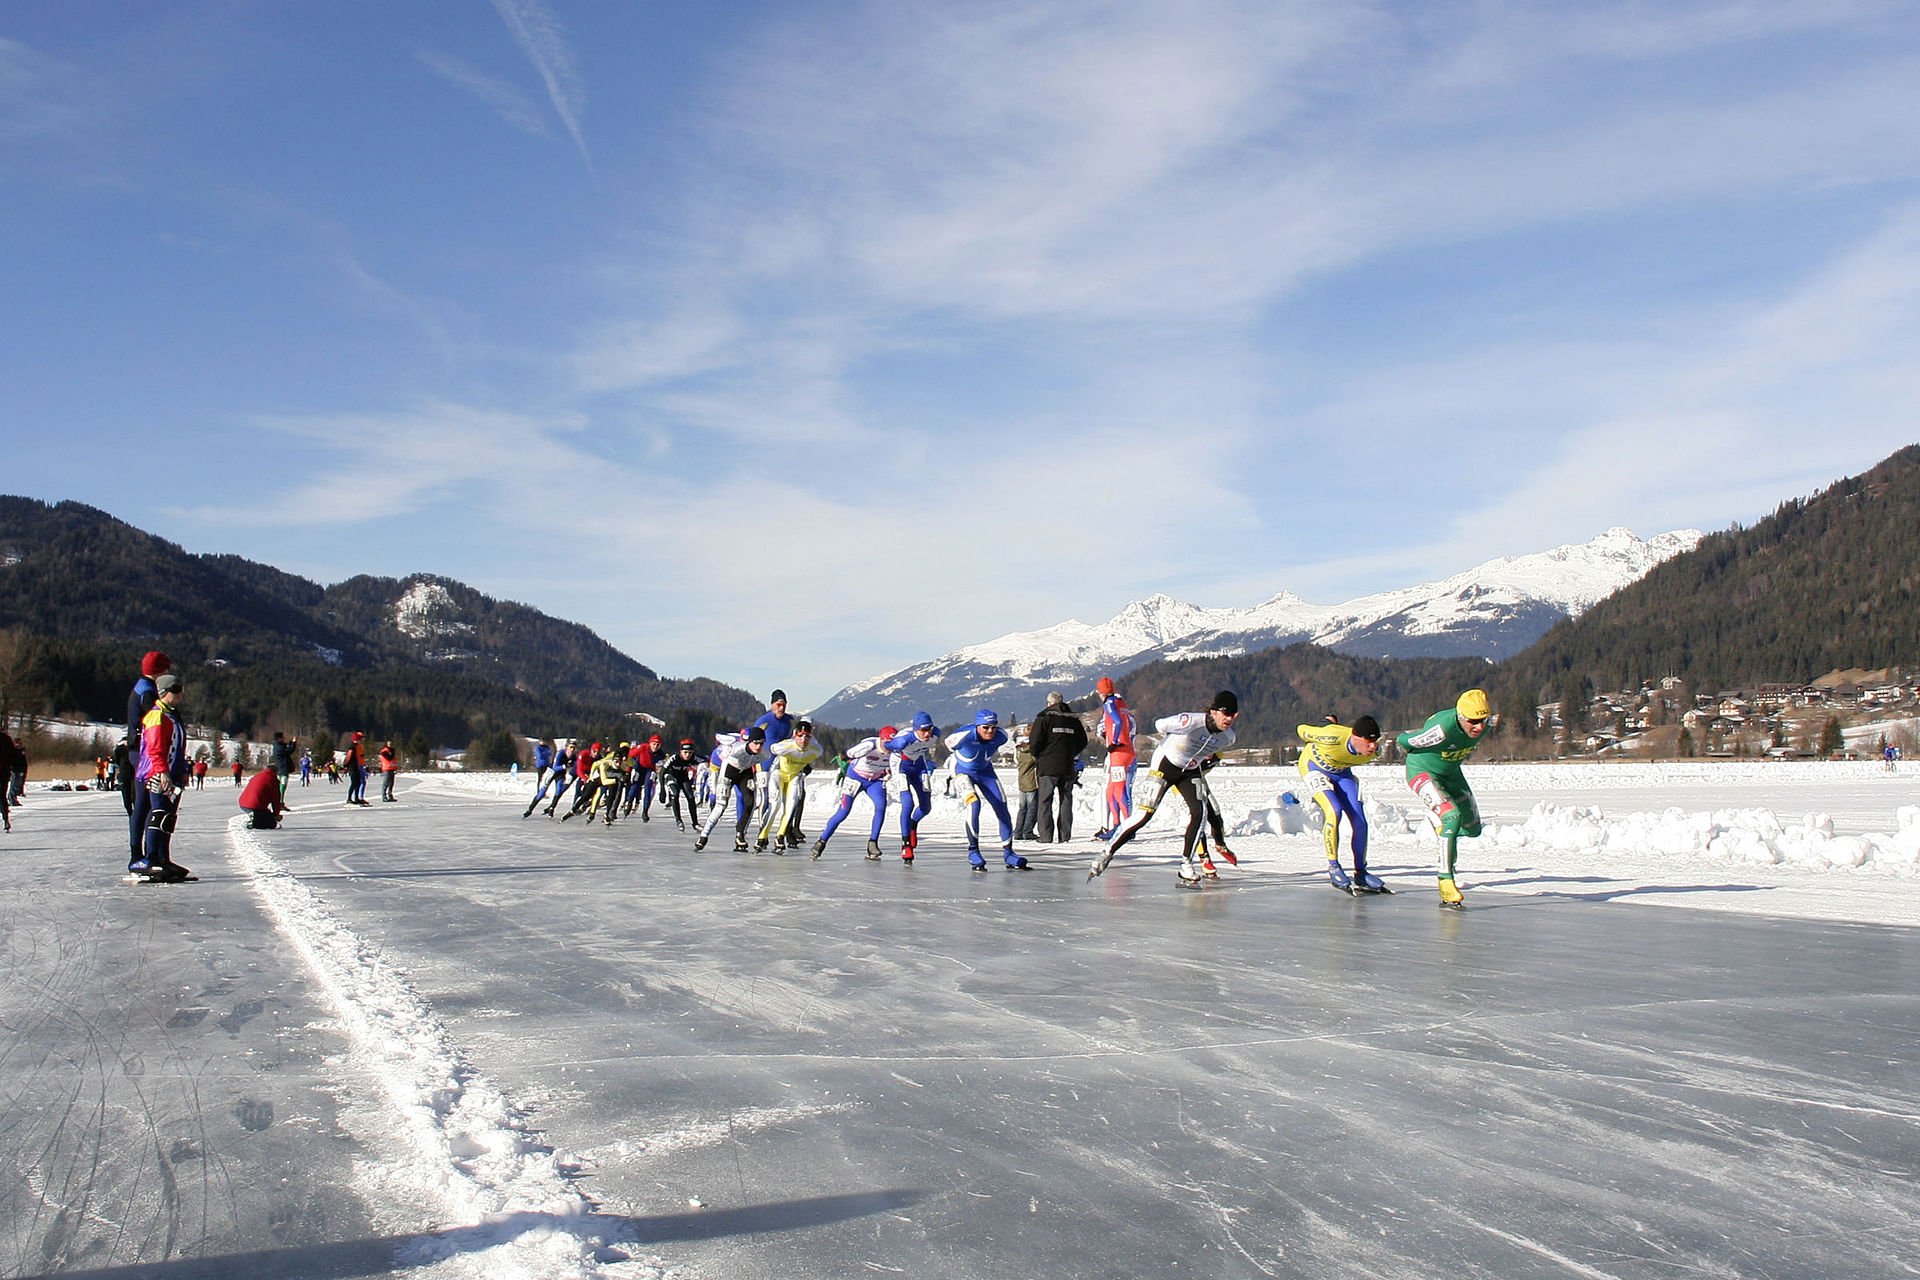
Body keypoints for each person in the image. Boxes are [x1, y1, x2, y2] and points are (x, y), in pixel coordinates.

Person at [1089, 691, 1241, 885]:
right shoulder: (1190, 721)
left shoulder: (1228, 738)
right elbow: (1159, 725)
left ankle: (1186, 864)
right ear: (1213, 712)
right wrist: (1172, 739)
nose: (1229, 719)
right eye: (1226, 713)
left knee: (1200, 812)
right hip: (1165, 765)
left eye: (1233, 715)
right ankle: (1107, 853)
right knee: (1145, 814)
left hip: (1190, 770)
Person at [1399, 689, 1493, 910]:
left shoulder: (1485, 726)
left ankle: (1442, 828)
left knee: (1472, 829)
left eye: (1483, 720)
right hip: (1422, 772)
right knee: (1452, 817)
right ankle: (1446, 882)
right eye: (1473, 722)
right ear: (1460, 717)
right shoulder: (1441, 730)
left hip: (1451, 774)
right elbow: (1404, 741)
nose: (1479, 727)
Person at [1297, 715, 1385, 893]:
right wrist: (1324, 725)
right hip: (1313, 766)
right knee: (1334, 811)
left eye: (1375, 742)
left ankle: (1361, 872)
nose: (1373, 747)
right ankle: (1334, 867)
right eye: (1368, 742)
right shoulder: (1331, 737)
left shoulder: (1376, 752)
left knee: (1360, 821)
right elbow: (1301, 729)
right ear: (1356, 737)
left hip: (1341, 773)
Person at [945, 710, 1026, 871]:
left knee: (1002, 806)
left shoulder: (1001, 736)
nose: (990, 731)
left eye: (993, 727)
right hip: (962, 771)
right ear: (977, 726)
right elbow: (949, 744)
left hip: (985, 772)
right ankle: (973, 851)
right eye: (985, 727)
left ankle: (1009, 853)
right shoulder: (964, 735)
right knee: (974, 804)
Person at [133, 673, 192, 880]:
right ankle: (151, 858)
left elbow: (178, 748)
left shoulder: (172, 715)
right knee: (159, 814)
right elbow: (154, 748)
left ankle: (163, 857)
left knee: (168, 816)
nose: (179, 695)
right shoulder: (156, 716)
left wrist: (183, 771)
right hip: (158, 773)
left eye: (180, 690)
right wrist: (161, 771)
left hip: (172, 773)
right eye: (175, 691)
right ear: (163, 692)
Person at [814, 726, 895, 860]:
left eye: (891, 744)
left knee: (881, 806)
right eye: (886, 743)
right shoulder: (869, 745)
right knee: (843, 811)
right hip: (855, 777)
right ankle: (822, 841)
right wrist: (846, 756)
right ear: (881, 739)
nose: (888, 748)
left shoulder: (896, 749)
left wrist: (889, 772)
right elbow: (849, 754)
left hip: (874, 781)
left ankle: (873, 843)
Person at [123, 650, 169, 868]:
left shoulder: (141, 687)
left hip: (137, 750)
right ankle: (145, 854)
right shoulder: (148, 692)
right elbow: (154, 722)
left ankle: (143, 853)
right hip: (143, 752)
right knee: (146, 803)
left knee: (143, 804)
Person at [1029, 691, 1087, 842]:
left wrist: (1039, 755)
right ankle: (1065, 836)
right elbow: (1083, 741)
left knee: (1045, 801)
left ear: (1049, 703)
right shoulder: (1074, 721)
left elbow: (1034, 743)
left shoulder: (1044, 719)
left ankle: (1045, 836)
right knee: (1066, 799)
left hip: (1047, 766)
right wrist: (1071, 752)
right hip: (1068, 765)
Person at [758, 720, 822, 852]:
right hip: (778, 774)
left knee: (791, 807)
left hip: (794, 776)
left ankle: (780, 836)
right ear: (795, 735)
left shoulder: (815, 750)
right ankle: (762, 836)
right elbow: (772, 748)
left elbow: (816, 750)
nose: (803, 740)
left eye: (807, 736)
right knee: (775, 806)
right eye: (800, 736)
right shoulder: (786, 746)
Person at [696, 727, 764, 851]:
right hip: (728, 771)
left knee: (750, 803)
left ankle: (740, 834)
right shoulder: (736, 749)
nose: (758, 747)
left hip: (745, 773)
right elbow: (717, 758)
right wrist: (713, 786)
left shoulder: (764, 753)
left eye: (761, 743)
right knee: (721, 805)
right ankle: (704, 835)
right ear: (749, 742)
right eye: (756, 743)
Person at [886, 713, 942, 860]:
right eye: (923, 730)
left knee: (926, 807)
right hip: (901, 767)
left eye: (929, 729)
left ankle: (912, 824)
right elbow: (887, 745)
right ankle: (905, 844)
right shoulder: (904, 739)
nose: (927, 734)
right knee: (908, 804)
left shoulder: (935, 734)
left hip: (919, 766)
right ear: (916, 729)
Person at [1094, 677, 1137, 840]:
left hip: (1119, 752)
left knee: (1118, 791)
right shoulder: (1121, 703)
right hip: (1126, 751)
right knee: (1111, 791)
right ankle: (1117, 825)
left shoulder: (1109, 703)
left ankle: (1126, 828)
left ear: (1101, 692)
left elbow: (1117, 722)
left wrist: (1114, 741)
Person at [753, 690, 794, 822]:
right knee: (765, 796)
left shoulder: (789, 721)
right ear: (772, 705)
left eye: (784, 705)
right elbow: (752, 742)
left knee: (783, 796)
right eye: (778, 705)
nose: (781, 708)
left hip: (781, 763)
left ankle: (787, 828)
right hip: (763, 763)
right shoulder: (764, 721)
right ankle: (761, 826)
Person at [658, 738, 702, 830]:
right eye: (685, 752)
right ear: (681, 751)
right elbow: (662, 772)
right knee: (675, 794)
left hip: (683, 776)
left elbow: (707, 761)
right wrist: (662, 789)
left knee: (691, 797)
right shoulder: (674, 757)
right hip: (670, 775)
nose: (687, 755)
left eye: (690, 753)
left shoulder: (694, 757)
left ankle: (695, 823)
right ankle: (678, 820)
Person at [526, 740, 575, 817]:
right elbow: (555, 767)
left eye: (574, 748)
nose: (572, 750)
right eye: (571, 747)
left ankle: (552, 808)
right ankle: (530, 809)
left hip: (561, 774)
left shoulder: (574, 756)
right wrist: (564, 766)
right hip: (551, 773)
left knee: (559, 791)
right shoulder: (561, 754)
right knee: (542, 793)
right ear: (567, 747)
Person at [238, 764, 289, 829]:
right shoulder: (273, 780)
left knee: (266, 814)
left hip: (243, 803)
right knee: (271, 823)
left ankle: (254, 815)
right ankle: (254, 821)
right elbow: (276, 800)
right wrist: (276, 815)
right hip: (255, 806)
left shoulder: (257, 776)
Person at [1011, 724, 1039, 840]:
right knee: (1032, 808)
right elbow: (1036, 760)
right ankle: (1027, 831)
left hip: (1022, 780)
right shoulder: (1032, 750)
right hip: (1031, 781)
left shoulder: (1018, 749)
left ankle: (1018, 831)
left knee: (1022, 808)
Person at [0, 730, 23, 833]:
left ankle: (6, 819)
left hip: (3, 772)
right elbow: (14, 756)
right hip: (3, 772)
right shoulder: (6, 739)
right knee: (1, 796)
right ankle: (6, 819)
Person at [342, 732, 370, 805]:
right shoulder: (352, 747)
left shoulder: (358, 746)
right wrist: (345, 765)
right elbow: (348, 757)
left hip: (357, 767)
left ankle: (356, 798)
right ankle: (349, 799)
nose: (361, 740)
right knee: (354, 783)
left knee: (358, 783)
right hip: (353, 767)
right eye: (360, 739)